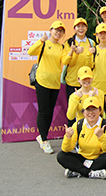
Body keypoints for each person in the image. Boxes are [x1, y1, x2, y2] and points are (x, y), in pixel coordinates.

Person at [27, 20, 68, 154]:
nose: (58, 33)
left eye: (61, 31)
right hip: (42, 82)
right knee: (43, 111)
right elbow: (30, 52)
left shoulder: (62, 47)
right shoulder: (44, 43)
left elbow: (64, 61)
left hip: (55, 83)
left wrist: (72, 53)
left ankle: (42, 136)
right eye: (56, 30)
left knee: (50, 112)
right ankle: (44, 140)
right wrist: (41, 41)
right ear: (51, 30)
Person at [58, 96, 106, 179]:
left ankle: (78, 170)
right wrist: (68, 137)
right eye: (88, 109)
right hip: (83, 158)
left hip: (99, 158)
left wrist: (101, 136)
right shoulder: (78, 125)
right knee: (61, 156)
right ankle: (90, 173)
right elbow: (66, 149)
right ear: (83, 112)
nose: (91, 112)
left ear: (100, 110)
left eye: (94, 109)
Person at [62, 18, 94, 100]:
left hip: (86, 82)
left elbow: (90, 65)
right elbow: (66, 62)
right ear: (74, 29)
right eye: (78, 26)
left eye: (83, 26)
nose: (81, 28)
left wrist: (89, 54)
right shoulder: (69, 43)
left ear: (86, 28)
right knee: (73, 105)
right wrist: (75, 53)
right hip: (72, 81)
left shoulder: (91, 43)